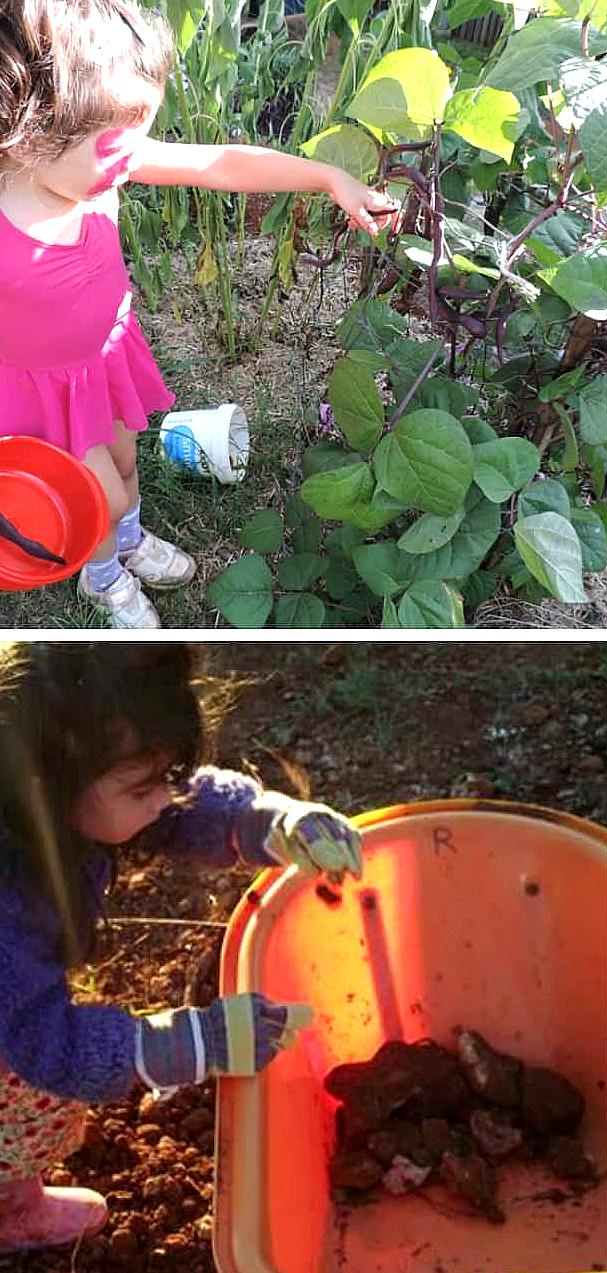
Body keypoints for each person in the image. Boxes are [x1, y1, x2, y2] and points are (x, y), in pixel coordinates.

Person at [0, 0, 397, 627]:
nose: (130, 153)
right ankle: (102, 579)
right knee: (92, 498)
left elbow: (221, 163)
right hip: (39, 390)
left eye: (141, 127)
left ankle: (128, 540)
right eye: (113, 136)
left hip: (102, 358)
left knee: (126, 464)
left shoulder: (102, 158)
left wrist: (328, 179)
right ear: (29, 126)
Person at [0, 642, 365, 1251]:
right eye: (144, 788)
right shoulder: (7, 901)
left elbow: (182, 805)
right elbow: (42, 1042)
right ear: (50, 779)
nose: (165, 798)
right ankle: (12, 1209)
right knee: (18, 1112)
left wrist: (271, 821)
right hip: (12, 1026)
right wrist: (181, 1044)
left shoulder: (54, 782)